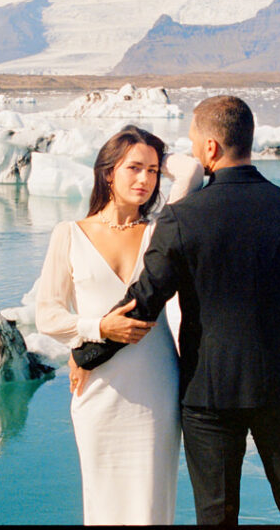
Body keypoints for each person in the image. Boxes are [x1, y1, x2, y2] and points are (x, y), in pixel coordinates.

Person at [72, 96, 280, 525]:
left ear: (210, 147)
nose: (192, 150)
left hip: (209, 393)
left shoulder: (183, 219)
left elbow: (144, 303)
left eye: (194, 142)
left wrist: (87, 354)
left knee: (216, 516)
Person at [34, 124, 204, 525]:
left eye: (153, 170)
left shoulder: (162, 230)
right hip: (99, 386)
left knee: (151, 502)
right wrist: (97, 331)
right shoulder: (69, 234)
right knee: (103, 501)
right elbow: (48, 315)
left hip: (156, 384)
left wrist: (155, 152)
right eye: (133, 168)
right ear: (108, 172)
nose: (145, 179)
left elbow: (193, 171)